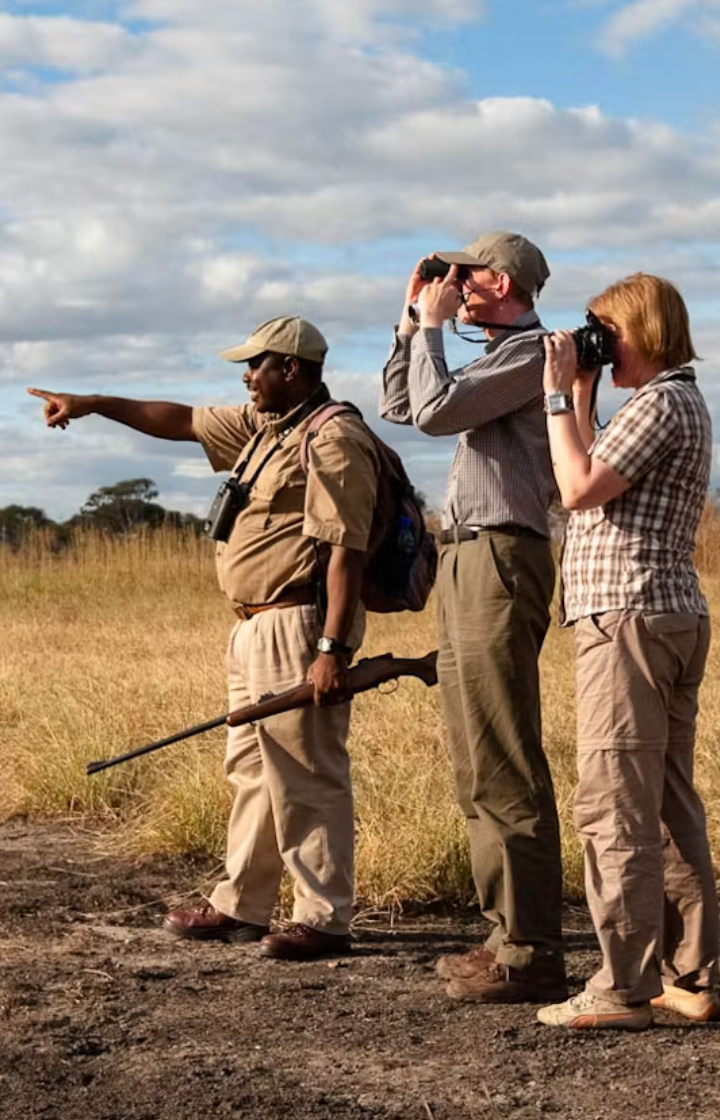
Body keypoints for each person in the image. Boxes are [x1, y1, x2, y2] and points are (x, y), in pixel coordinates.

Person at [29, 315, 379, 961]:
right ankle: (242, 904)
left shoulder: (333, 438)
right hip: (251, 625)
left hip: (297, 623)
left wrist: (332, 649)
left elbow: (345, 550)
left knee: (306, 773)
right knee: (252, 771)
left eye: (255, 365)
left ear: (291, 369)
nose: (246, 377)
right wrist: (93, 403)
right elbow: (181, 420)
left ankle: (325, 918)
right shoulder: (263, 429)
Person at [379, 231, 567, 1003]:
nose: (452, 284)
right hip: (466, 557)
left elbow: (434, 412)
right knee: (474, 754)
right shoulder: (494, 357)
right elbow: (400, 404)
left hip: (503, 556)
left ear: (503, 282)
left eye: (466, 273)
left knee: (503, 752)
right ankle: (505, 937)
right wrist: (408, 324)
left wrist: (431, 327)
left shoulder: (531, 353)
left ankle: (532, 952)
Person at [537, 273, 720, 1030]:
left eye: (604, 332)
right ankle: (692, 973)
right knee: (668, 801)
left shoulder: (660, 403)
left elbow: (577, 487)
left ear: (641, 330)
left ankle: (620, 988)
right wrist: (582, 392)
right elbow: (591, 468)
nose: (597, 345)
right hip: (663, 613)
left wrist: (555, 395)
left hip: (630, 620)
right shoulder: (672, 401)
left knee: (613, 803)